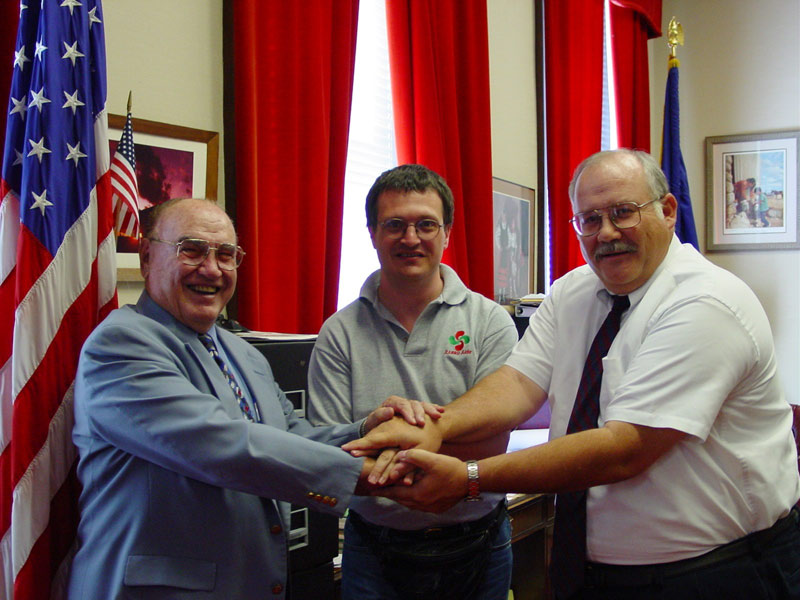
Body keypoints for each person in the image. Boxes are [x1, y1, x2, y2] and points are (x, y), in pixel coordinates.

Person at [347, 150, 800, 599]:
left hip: (716, 572)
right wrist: (436, 426)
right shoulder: (573, 292)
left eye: (623, 213)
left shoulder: (707, 303)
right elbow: (517, 384)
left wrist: (469, 478)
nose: (606, 233)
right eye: (589, 219)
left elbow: (625, 448)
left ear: (666, 211)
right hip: (591, 567)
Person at [66, 197, 435, 599]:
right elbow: (221, 444)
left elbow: (292, 434)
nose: (211, 269)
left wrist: (368, 431)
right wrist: (369, 478)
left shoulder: (241, 352)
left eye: (226, 255)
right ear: (147, 257)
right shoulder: (121, 344)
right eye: (191, 250)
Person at [307, 164, 518, 600]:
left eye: (426, 224)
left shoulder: (490, 322)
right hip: (375, 552)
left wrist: (387, 449)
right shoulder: (338, 333)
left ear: (447, 234)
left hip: (480, 543)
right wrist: (439, 456)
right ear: (372, 233)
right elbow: (326, 450)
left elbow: (494, 441)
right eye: (395, 225)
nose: (410, 238)